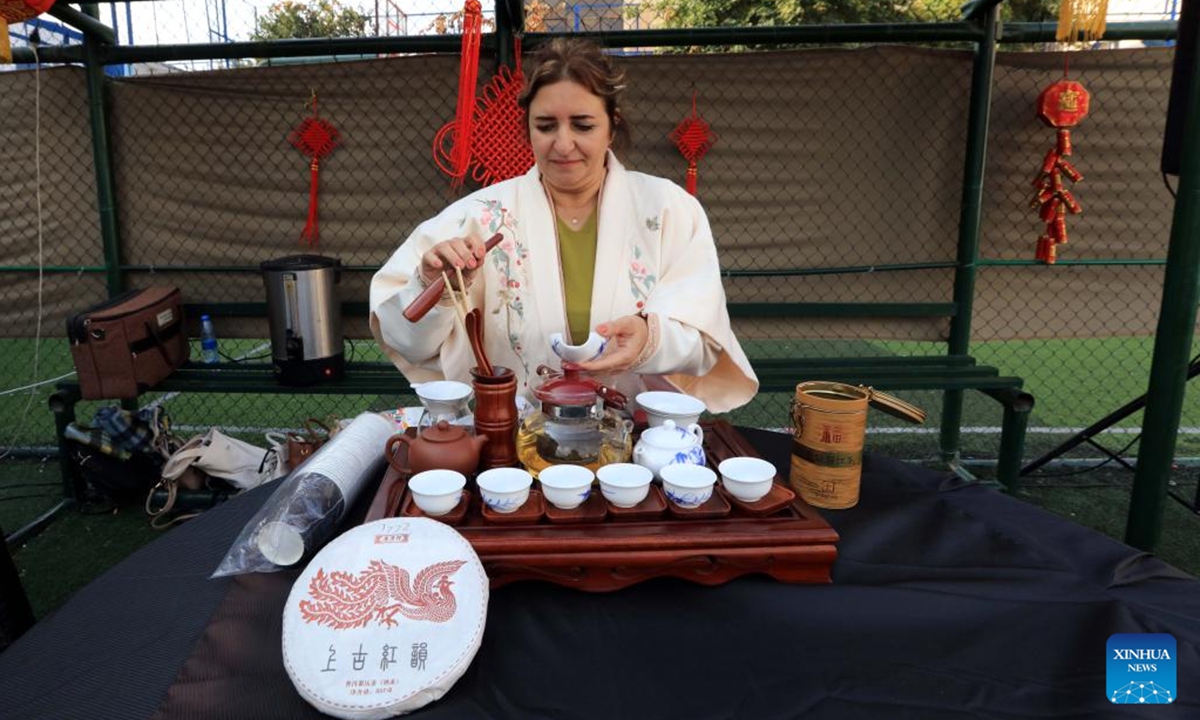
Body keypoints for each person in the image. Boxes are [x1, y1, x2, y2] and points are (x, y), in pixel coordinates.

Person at [370, 37, 757, 413]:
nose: (563, 143)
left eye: (583, 125)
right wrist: (433, 288)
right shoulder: (478, 217)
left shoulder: (668, 209)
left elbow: (705, 345)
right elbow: (407, 341)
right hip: (515, 442)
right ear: (527, 128)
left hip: (633, 448)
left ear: (612, 125)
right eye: (546, 125)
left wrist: (649, 340)